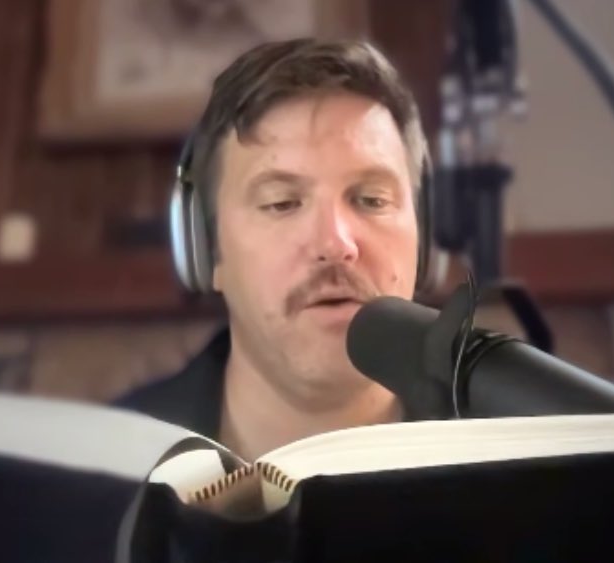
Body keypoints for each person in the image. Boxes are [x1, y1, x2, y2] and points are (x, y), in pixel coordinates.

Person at [114, 38, 435, 460]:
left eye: (371, 200)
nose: (335, 244)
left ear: (424, 238)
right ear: (208, 250)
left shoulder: (518, 458)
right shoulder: (104, 469)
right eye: (282, 203)